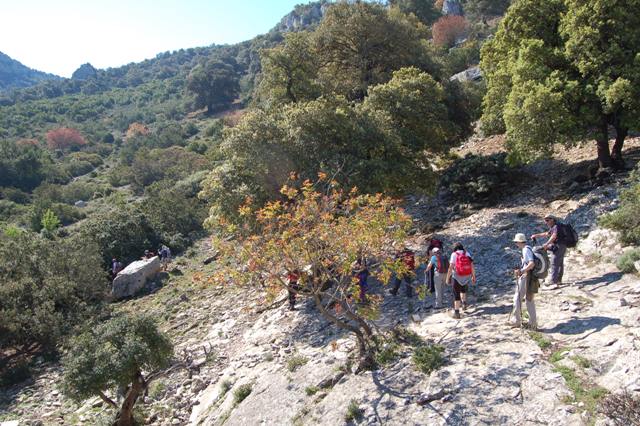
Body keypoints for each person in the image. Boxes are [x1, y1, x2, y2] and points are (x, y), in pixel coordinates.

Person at [510, 233, 538, 329]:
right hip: (531, 277)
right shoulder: (528, 248)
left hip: (526, 277)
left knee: (517, 298)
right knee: (529, 300)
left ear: (519, 242)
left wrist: (521, 271)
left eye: (516, 242)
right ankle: (533, 324)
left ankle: (516, 321)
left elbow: (531, 264)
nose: (516, 244)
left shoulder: (525, 250)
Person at [531, 214, 565, 288]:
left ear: (552, 219)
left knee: (554, 263)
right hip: (561, 246)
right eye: (545, 221)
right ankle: (558, 280)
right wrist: (536, 235)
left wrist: (547, 244)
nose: (546, 222)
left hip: (558, 246)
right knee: (560, 263)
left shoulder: (556, 226)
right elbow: (547, 234)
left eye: (547, 220)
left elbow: (554, 236)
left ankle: (553, 282)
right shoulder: (554, 227)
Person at [446, 242, 476, 319]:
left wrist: (447, 277)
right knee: (463, 290)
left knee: (456, 293)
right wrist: (473, 276)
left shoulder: (454, 254)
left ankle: (456, 313)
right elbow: (472, 265)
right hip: (466, 276)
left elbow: (451, 267)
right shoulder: (467, 253)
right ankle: (464, 304)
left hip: (457, 276)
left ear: (455, 248)